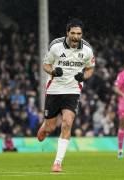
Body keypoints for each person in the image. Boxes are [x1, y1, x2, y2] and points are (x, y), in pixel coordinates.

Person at [37, 18, 95, 172]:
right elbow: (45, 64)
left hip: (73, 90)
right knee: (49, 128)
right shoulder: (55, 46)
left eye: (79, 34)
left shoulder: (87, 50)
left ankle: (57, 162)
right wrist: (53, 71)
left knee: (67, 122)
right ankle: (44, 127)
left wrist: (83, 77)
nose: (76, 36)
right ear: (67, 33)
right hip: (54, 90)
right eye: (73, 33)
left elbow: (90, 68)